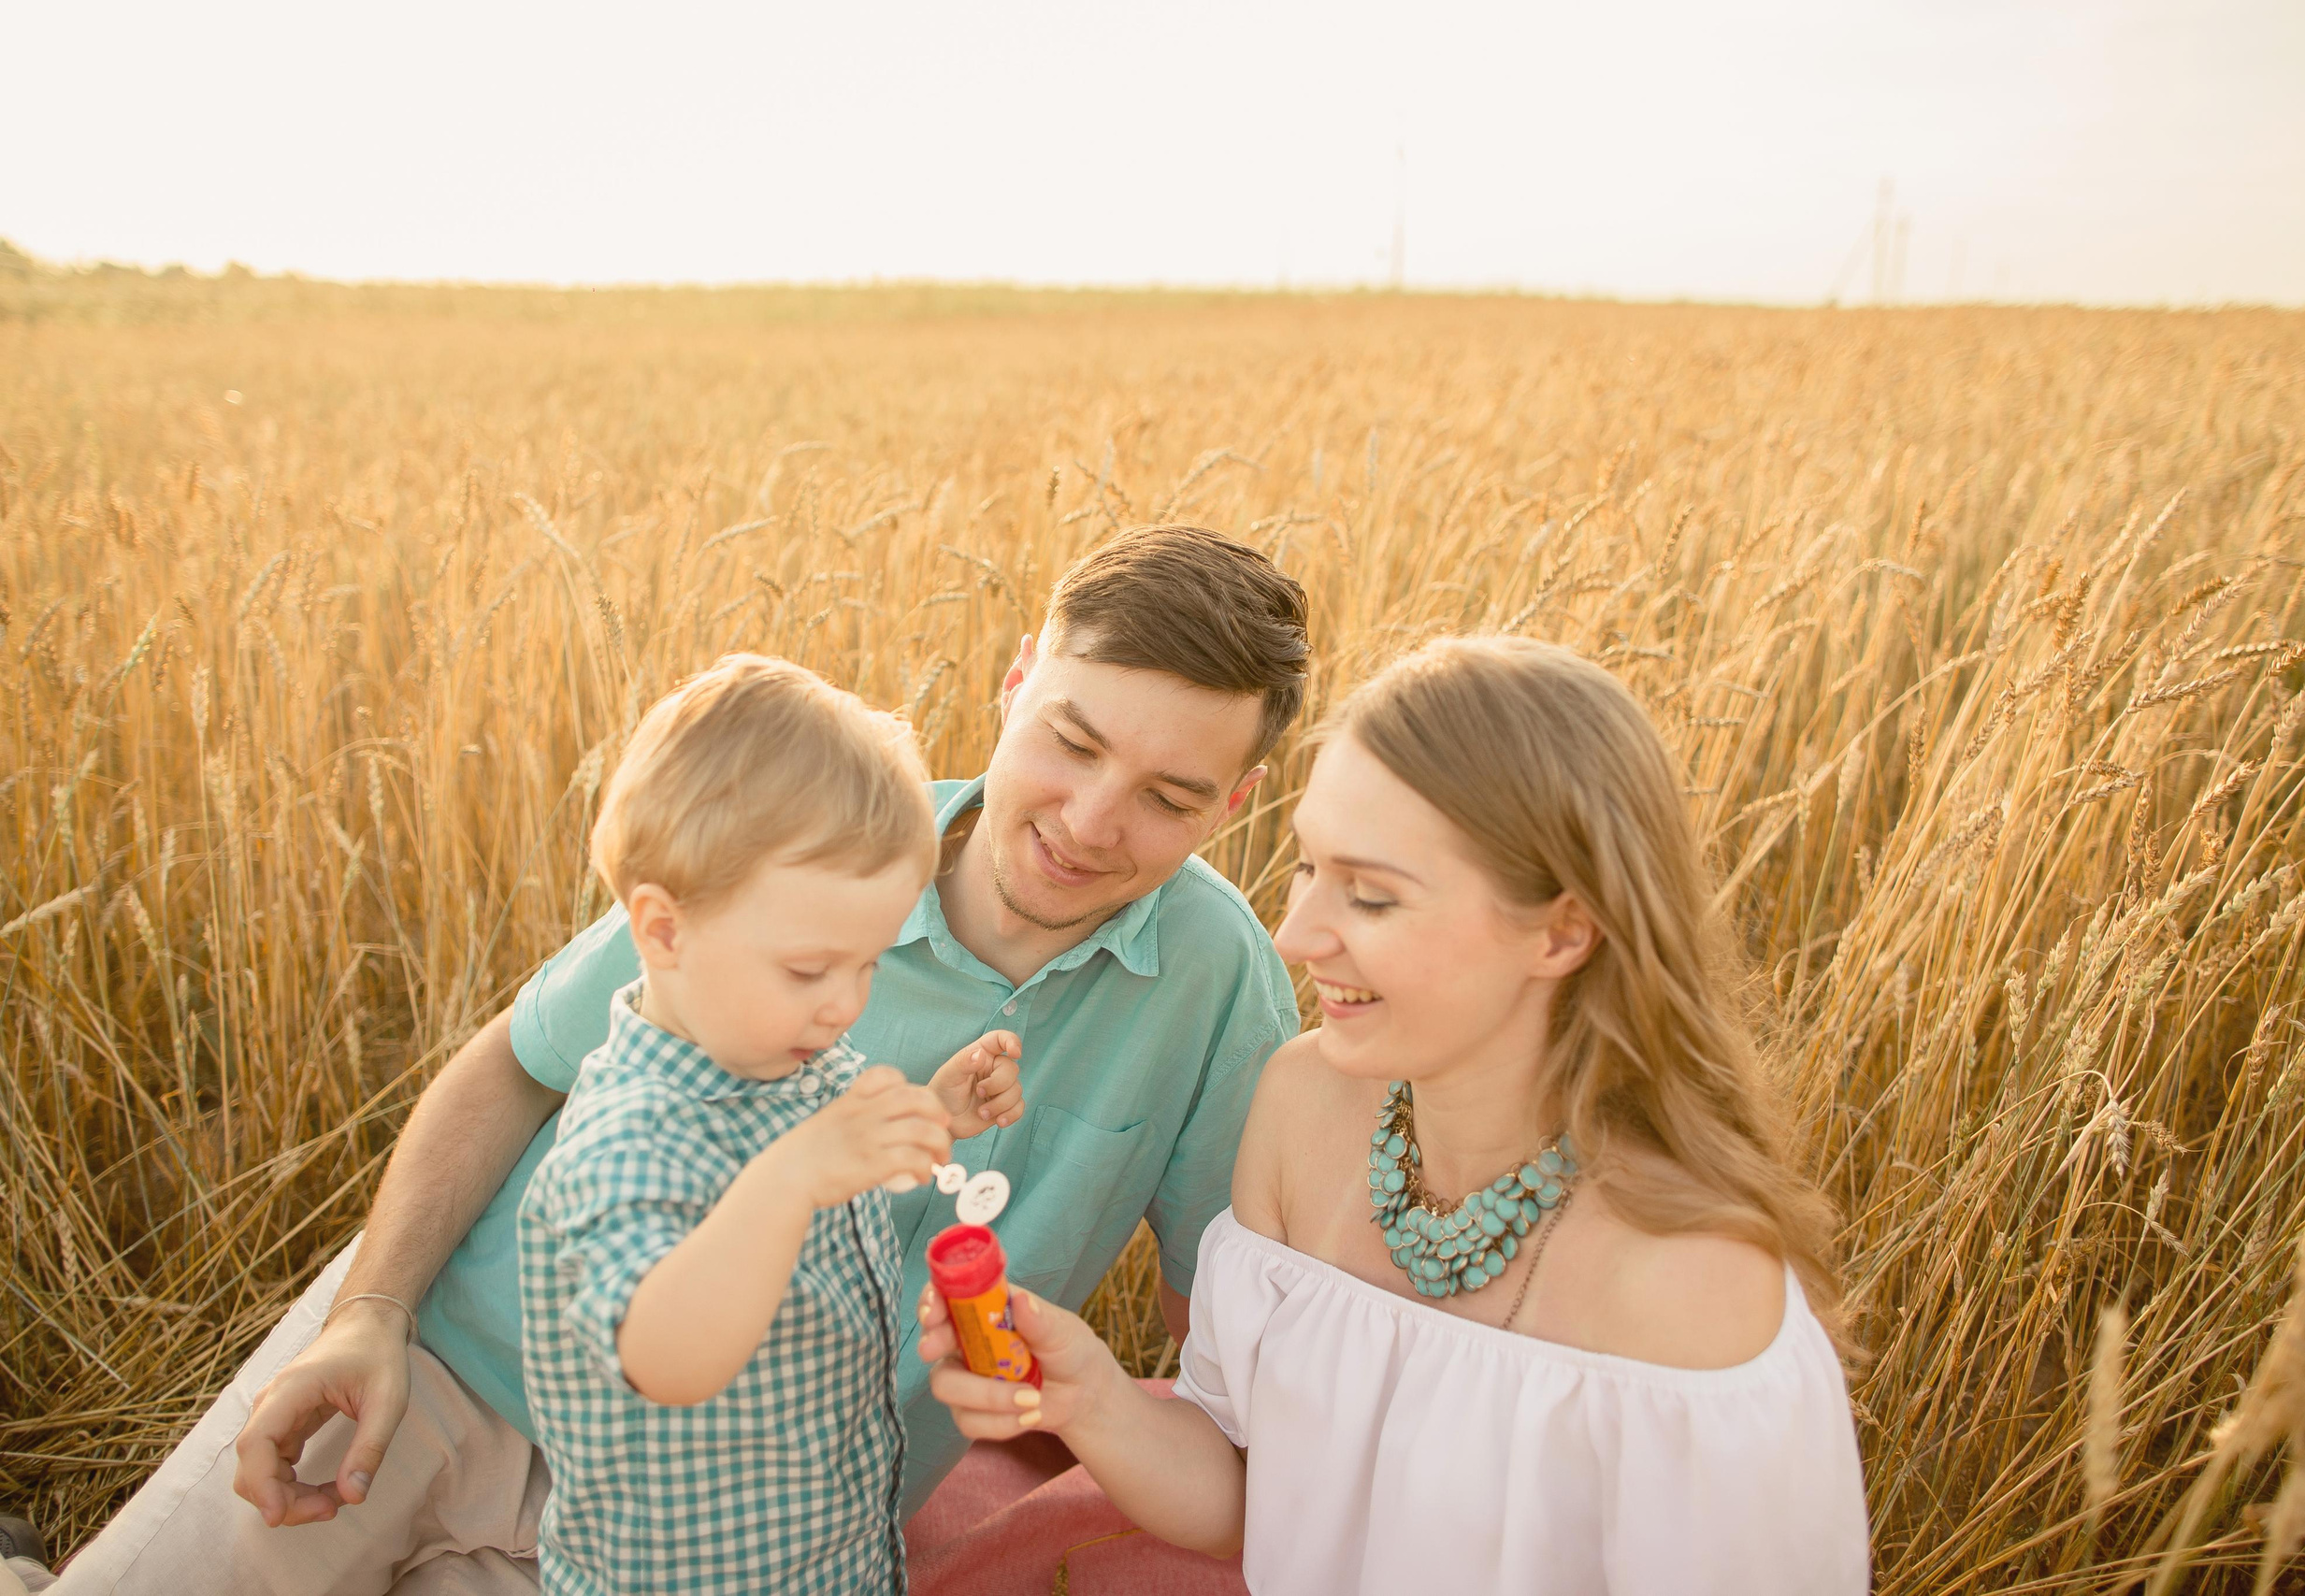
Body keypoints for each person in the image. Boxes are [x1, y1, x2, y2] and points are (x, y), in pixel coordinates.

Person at [57, 524, 1308, 1595]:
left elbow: (1223, 1328)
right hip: (447, 1360)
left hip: (710, 1528)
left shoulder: (1219, 978)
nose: (1091, 823)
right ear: (1017, 677)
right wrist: (370, 1318)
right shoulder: (818, 828)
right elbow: (514, 1066)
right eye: (1072, 742)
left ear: (1238, 800)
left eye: (1168, 794)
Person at [923, 635, 1873, 1595]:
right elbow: (1251, 1501)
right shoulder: (1300, 1107)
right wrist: (1090, 1397)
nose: (1294, 936)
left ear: (1562, 931)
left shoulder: (1695, 1287)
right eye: (1307, 871)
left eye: (1371, 897)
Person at [519, 654, 1023, 1594]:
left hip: (826, 1554)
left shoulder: (788, 1057)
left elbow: (830, 1171)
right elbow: (665, 1357)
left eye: (868, 965)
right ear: (664, 931)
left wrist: (935, 1112)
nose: (844, 1006)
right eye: (808, 970)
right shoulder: (626, 1140)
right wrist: (791, 1178)